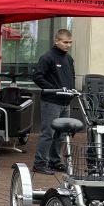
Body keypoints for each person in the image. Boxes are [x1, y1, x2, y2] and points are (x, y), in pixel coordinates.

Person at [32, 29, 75, 175]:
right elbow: (37, 77)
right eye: (64, 42)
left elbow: (71, 77)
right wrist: (53, 89)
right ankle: (39, 163)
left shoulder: (68, 59)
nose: (67, 45)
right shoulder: (47, 57)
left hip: (65, 102)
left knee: (61, 134)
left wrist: (71, 91)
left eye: (70, 42)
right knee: (48, 133)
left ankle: (54, 161)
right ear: (56, 41)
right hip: (51, 102)